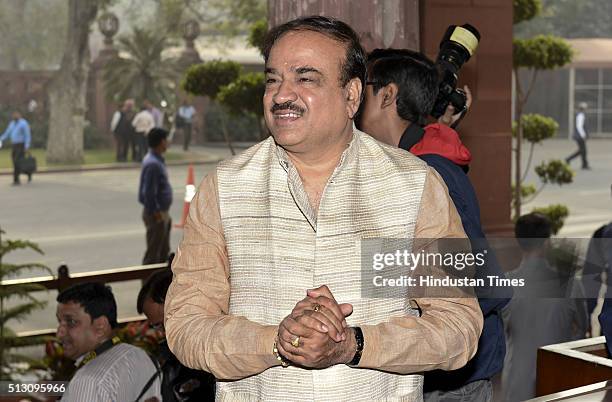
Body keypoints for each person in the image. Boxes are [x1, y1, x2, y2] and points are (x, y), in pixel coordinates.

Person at [165, 16, 483, 401]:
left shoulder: (413, 185)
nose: (281, 95)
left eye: (305, 78)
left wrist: (354, 345)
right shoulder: (225, 187)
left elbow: (458, 326)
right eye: (272, 79)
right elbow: (186, 325)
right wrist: (275, 342)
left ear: (351, 96)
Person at [357, 48, 511, 402]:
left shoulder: (433, 173)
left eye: (360, 86)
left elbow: (479, 282)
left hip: (450, 381)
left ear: (388, 94)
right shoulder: (413, 162)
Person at [502, 213, 587, 402]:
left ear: (518, 241)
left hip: (517, 380)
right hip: (559, 377)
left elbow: (498, 332)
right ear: (547, 242)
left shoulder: (506, 284)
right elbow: (581, 331)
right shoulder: (571, 284)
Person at [56, 282, 161, 401]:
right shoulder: (141, 356)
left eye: (71, 322)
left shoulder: (87, 381)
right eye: (59, 322)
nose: (59, 333)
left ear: (100, 327)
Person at [137, 269, 216, 401]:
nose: (162, 333)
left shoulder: (209, 349)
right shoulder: (176, 353)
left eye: (161, 324)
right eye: (156, 326)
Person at [139, 128, 172, 265]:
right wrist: (158, 215)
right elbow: (149, 194)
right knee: (154, 254)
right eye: (166, 140)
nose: (168, 143)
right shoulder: (153, 164)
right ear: (161, 142)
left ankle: (159, 285)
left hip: (161, 213)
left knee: (163, 252)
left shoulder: (156, 160)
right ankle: (148, 284)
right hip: (156, 214)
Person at [0, 110, 31, 185]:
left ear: (19, 115)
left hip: (21, 145)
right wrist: (1, 138)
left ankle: (16, 180)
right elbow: (7, 133)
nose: (14, 116)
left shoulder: (23, 123)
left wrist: (27, 146)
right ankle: (27, 172)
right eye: (13, 115)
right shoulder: (12, 124)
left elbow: (27, 135)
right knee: (15, 161)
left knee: (17, 161)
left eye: (16, 114)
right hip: (14, 145)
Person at [565, 101, 590, 169]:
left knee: (582, 151)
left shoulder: (581, 115)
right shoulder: (580, 115)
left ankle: (584, 164)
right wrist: (583, 135)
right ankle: (569, 159)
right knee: (583, 150)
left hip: (580, 136)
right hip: (579, 136)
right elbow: (579, 126)